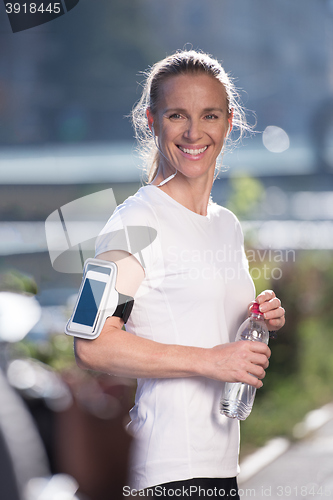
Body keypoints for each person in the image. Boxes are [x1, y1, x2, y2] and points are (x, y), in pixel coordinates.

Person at [74, 50, 285, 499]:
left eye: (208, 115)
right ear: (152, 121)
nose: (194, 132)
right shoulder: (134, 222)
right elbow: (91, 344)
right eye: (177, 115)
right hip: (166, 471)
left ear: (229, 122)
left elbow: (199, 316)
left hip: (221, 465)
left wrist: (258, 317)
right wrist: (211, 361)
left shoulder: (225, 224)